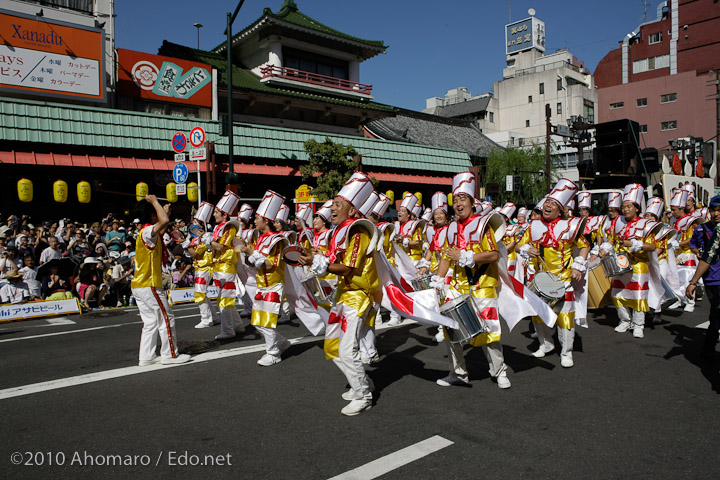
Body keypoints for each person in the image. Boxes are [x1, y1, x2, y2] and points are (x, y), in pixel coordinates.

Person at [302, 172, 378, 416]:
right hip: (342, 294)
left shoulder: (358, 231)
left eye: (337, 204)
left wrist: (320, 262)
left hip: (358, 295)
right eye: (332, 203)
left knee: (347, 349)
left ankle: (363, 395)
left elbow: (349, 268)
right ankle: (363, 384)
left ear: (352, 210)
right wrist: (314, 258)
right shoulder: (338, 232)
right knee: (333, 347)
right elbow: (333, 261)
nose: (331, 208)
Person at [433, 171, 512, 389]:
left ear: (472, 202)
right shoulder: (450, 228)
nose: (458, 203)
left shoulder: (481, 225)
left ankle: (499, 370)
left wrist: (468, 257)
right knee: (451, 329)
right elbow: (447, 257)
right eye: (455, 199)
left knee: (490, 329)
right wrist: (438, 281)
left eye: (463, 199)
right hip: (458, 285)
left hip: (483, 285)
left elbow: (494, 254)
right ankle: (458, 373)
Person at [517, 179, 590, 367]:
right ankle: (546, 344)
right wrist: (526, 249)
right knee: (538, 316)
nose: (548, 205)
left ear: (561, 210)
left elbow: (584, 246)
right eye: (547, 202)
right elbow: (518, 245)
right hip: (540, 280)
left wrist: (578, 265)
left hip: (564, 279)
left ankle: (566, 352)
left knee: (565, 318)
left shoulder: (570, 227)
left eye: (554, 204)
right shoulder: (532, 226)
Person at [131, 195, 191, 366]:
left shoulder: (145, 232)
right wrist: (154, 201)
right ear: (152, 216)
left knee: (150, 322)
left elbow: (163, 225)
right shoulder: (147, 231)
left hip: (139, 285)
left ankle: (146, 356)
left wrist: (163, 209)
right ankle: (170, 355)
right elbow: (163, 221)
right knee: (166, 318)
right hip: (149, 284)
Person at [239, 190, 291, 366]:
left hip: (274, 285)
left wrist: (251, 253)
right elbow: (255, 263)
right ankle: (282, 342)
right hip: (262, 284)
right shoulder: (260, 239)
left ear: (265, 221)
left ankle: (274, 353)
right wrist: (247, 254)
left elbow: (270, 265)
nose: (254, 221)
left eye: (257, 218)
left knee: (266, 322)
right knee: (257, 322)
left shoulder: (277, 240)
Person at [600, 184, 660, 338]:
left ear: (637, 208)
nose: (625, 209)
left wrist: (635, 244)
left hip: (639, 264)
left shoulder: (646, 224)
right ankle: (625, 320)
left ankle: (639, 324)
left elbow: (652, 245)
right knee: (618, 294)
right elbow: (611, 240)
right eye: (624, 206)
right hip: (620, 263)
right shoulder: (616, 222)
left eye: (629, 206)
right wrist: (604, 249)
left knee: (638, 295)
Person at [686, 195, 720, 360]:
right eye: (713, 210)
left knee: (715, 315)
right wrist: (694, 281)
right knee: (715, 312)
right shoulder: (702, 229)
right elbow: (704, 254)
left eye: (719, 210)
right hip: (709, 276)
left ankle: (708, 348)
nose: (716, 214)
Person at [208, 191, 244, 340]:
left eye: (217, 212)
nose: (214, 214)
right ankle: (237, 325)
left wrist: (208, 242)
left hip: (226, 267)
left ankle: (227, 330)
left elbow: (220, 247)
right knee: (225, 298)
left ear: (225, 215)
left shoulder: (229, 228)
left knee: (224, 300)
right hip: (218, 267)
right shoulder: (218, 227)